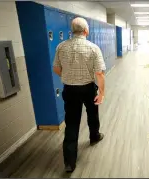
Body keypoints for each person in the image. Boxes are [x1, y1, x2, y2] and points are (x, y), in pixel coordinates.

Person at [53, 17, 106, 173]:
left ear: (72, 31)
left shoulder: (61, 47)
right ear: (86, 31)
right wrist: (102, 93)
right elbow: (99, 74)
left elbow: (56, 68)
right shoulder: (93, 48)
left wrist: (68, 76)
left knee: (72, 122)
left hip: (69, 89)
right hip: (88, 88)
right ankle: (94, 136)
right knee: (92, 114)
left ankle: (69, 162)